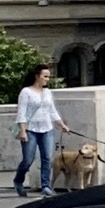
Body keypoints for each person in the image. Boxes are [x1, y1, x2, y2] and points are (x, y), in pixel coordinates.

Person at [13, 64, 65, 198]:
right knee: (28, 160)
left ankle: (46, 186)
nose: (47, 79)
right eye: (45, 76)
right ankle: (18, 180)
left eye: (48, 77)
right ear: (37, 76)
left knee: (47, 158)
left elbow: (52, 111)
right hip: (30, 129)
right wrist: (23, 131)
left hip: (47, 128)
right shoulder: (26, 92)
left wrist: (62, 125)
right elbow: (21, 112)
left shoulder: (47, 92)